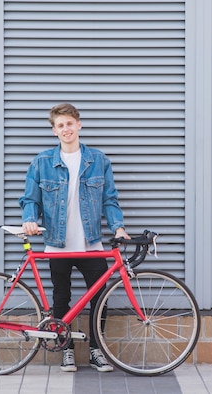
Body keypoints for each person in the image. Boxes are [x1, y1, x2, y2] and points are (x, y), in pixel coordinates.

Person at [19, 103, 130, 373]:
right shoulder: (42, 162)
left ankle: (96, 351)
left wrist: (118, 227)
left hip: (91, 243)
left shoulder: (98, 160)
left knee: (100, 299)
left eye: (70, 123)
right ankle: (65, 349)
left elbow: (109, 200)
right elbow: (29, 199)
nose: (66, 129)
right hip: (57, 244)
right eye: (60, 126)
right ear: (54, 131)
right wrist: (29, 219)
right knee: (61, 299)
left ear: (78, 125)